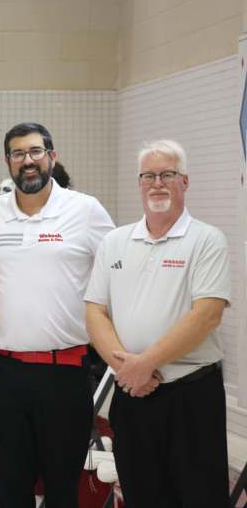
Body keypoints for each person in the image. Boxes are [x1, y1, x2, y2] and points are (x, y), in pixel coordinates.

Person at [0, 122, 114, 508]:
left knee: (61, 489)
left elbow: (117, 275)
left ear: (52, 156)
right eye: (18, 154)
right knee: (8, 490)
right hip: (5, 374)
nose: (28, 161)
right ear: (8, 162)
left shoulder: (85, 210)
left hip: (65, 373)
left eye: (36, 151)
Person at [85, 139, 231, 507]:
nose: (157, 183)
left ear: (185, 181)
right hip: (133, 394)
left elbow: (207, 314)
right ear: (139, 183)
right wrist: (127, 370)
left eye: (167, 174)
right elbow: (95, 312)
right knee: (141, 495)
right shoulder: (115, 242)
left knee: (199, 497)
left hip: (191, 396)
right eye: (148, 175)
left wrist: (143, 365)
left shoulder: (206, 240)